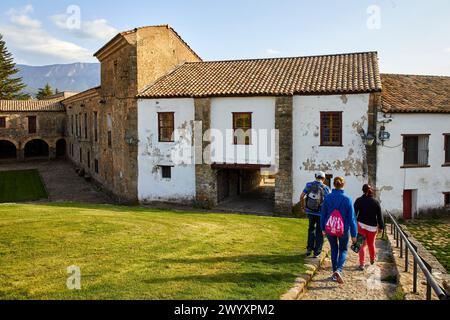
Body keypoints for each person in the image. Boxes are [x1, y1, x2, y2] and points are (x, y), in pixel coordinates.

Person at [320, 177, 357, 284]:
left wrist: (323, 228)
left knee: (334, 249)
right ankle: (338, 270)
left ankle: (334, 273)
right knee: (343, 250)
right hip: (343, 230)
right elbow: (352, 218)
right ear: (343, 185)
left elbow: (323, 214)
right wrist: (354, 234)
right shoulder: (347, 199)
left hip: (330, 228)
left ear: (334, 184)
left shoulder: (327, 197)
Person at [354, 184, 385, 270]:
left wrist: (354, 222)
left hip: (361, 225)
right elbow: (379, 216)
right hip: (372, 227)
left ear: (363, 191)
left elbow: (354, 213)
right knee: (371, 244)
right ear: (371, 190)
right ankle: (372, 259)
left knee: (361, 245)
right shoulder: (376, 202)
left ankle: (362, 264)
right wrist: (381, 227)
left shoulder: (359, 200)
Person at [300, 171, 331, 258]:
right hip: (321, 213)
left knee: (311, 229)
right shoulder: (326, 188)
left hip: (310, 211)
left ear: (315, 176)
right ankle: (317, 252)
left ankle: (309, 249)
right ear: (324, 179)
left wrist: (303, 207)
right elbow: (329, 202)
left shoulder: (309, 185)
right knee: (319, 231)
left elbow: (301, 196)